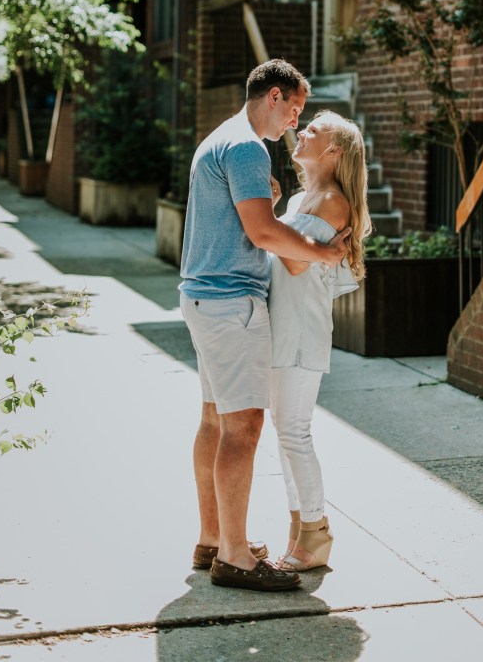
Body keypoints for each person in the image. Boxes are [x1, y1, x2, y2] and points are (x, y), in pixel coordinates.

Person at [179, 61, 351, 592]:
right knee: (244, 427)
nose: (295, 123)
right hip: (232, 303)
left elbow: (248, 222)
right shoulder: (249, 147)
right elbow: (261, 234)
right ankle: (234, 555)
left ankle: (213, 539)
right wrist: (321, 252)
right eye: (294, 109)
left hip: (204, 295)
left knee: (214, 421)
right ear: (273, 96)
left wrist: (273, 211)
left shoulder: (220, 139)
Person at [268, 111, 371, 570]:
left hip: (301, 333)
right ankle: (299, 534)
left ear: (333, 151)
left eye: (312, 130)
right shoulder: (300, 199)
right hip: (282, 328)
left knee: (294, 433)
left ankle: (314, 535)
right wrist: (271, 217)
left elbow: (294, 263)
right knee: (285, 433)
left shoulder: (331, 201)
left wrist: (260, 223)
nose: (301, 132)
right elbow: (289, 252)